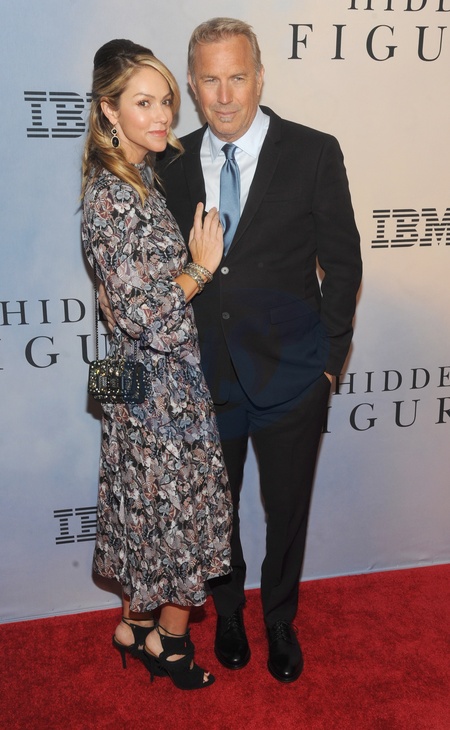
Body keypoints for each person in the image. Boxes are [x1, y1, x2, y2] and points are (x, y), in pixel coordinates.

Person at [101, 18, 362, 683]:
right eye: (209, 80)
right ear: (192, 85)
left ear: (259, 77)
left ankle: (279, 618)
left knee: (287, 513)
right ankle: (229, 613)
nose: (224, 96)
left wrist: (327, 364)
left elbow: (343, 264)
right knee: (211, 515)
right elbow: (142, 276)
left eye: (237, 78)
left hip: (293, 377)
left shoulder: (313, 152)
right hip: (201, 380)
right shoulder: (166, 160)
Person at [81, 38, 232, 690]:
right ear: (108, 111)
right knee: (175, 517)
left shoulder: (137, 178)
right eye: (143, 102)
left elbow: (124, 307)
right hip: (155, 387)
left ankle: (132, 626)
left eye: (166, 100)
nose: (163, 113)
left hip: (136, 376)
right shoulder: (112, 196)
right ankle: (168, 644)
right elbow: (146, 316)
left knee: (144, 511)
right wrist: (199, 268)